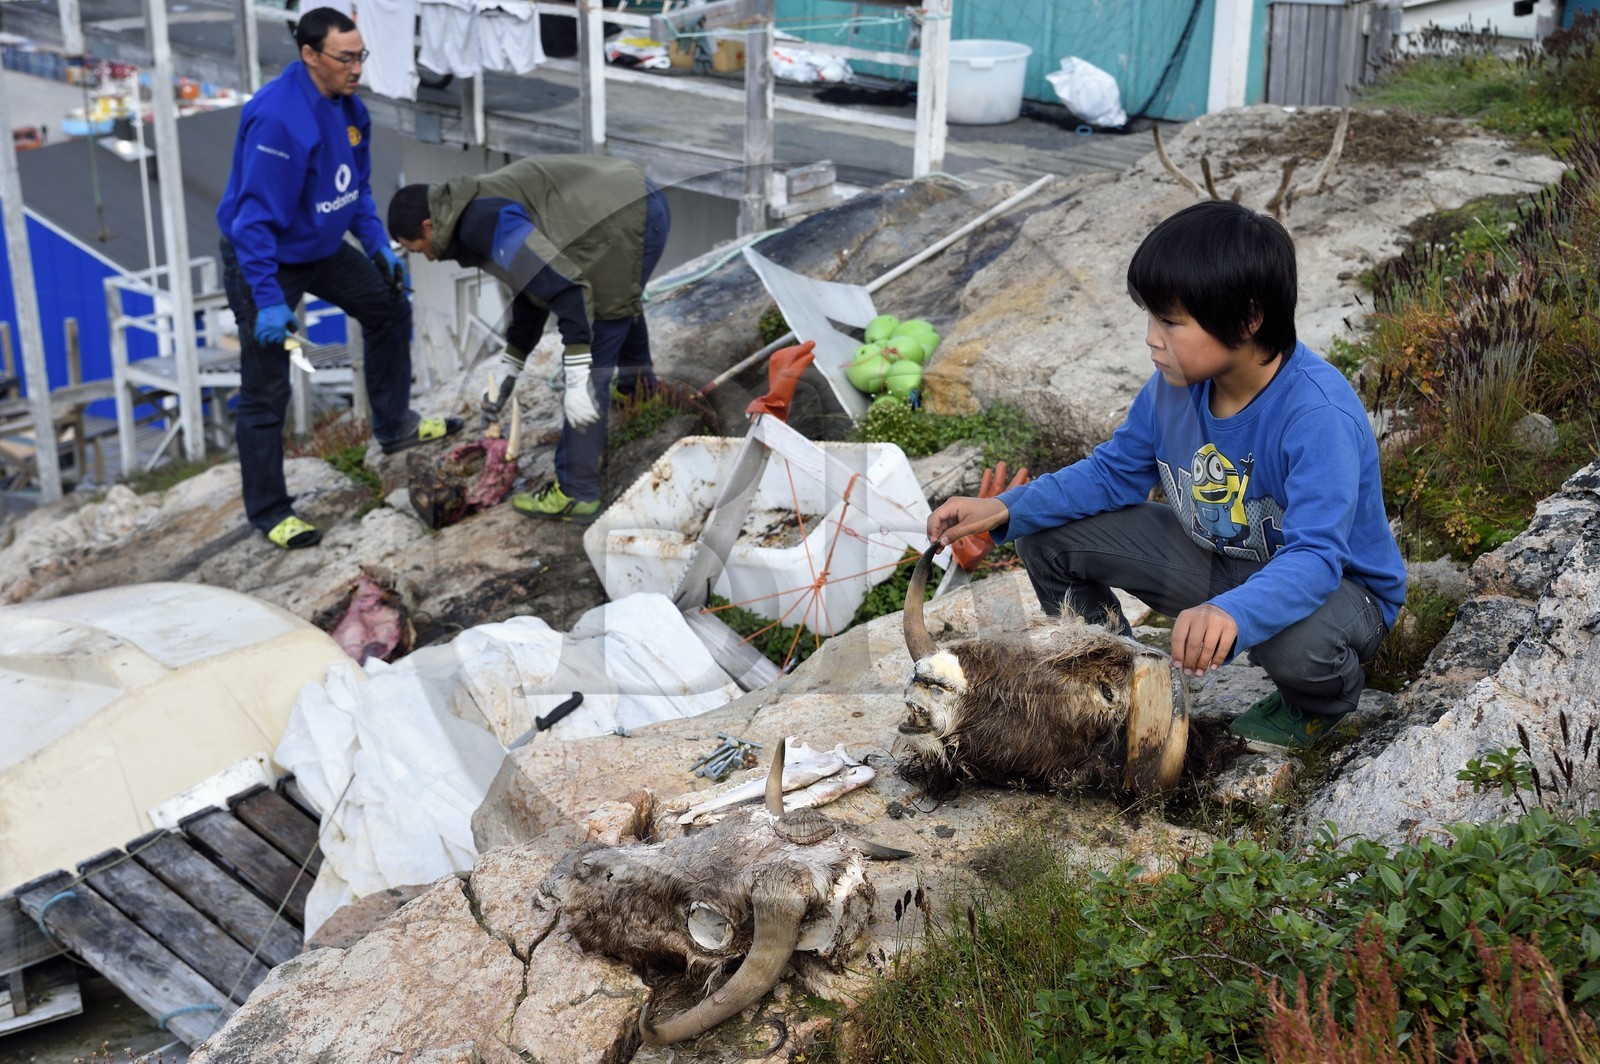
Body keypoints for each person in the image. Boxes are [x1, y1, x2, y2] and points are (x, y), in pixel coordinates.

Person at [925, 200, 1408, 751]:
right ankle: (1115, 684)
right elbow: (1112, 473)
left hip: (1338, 591)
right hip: (1225, 562)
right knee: (1046, 536)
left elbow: (1317, 557)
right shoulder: (1173, 386)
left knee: (1293, 643)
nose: (1152, 338)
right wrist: (1008, 507)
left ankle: (1324, 699)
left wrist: (1233, 611)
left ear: (1248, 318)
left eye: (1172, 322)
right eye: (1151, 317)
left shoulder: (1317, 415)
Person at [217, 6, 460, 550]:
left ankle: (394, 424)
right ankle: (271, 512)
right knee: (266, 386)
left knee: (389, 306)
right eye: (345, 58)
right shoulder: (279, 120)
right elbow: (252, 222)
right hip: (265, 259)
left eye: (360, 56)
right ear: (309, 55)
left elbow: (353, 186)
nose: (357, 68)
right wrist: (267, 300)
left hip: (319, 246)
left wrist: (376, 244)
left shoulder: (350, 107)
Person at [385, 155, 671, 523]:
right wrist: (512, 363)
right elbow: (532, 287)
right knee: (615, 302)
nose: (425, 257)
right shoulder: (465, 209)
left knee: (601, 326)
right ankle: (639, 391)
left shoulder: (483, 222)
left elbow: (568, 290)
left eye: (417, 247)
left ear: (428, 224)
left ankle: (575, 492)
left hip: (627, 217)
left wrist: (578, 377)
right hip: (631, 200)